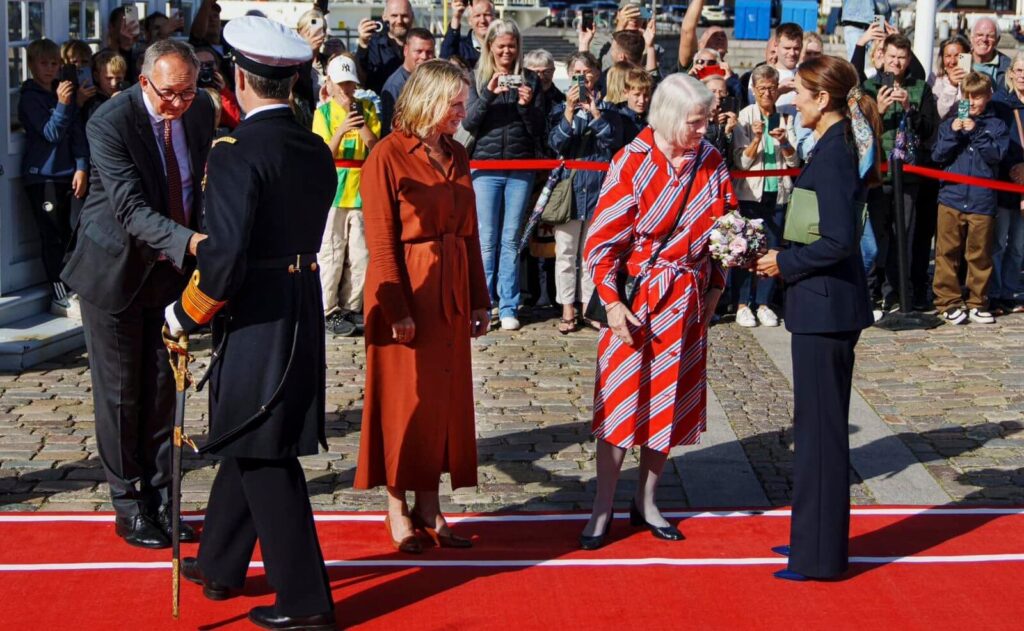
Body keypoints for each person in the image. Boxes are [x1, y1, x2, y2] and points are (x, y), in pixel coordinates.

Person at [164, 17, 338, 630]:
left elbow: (225, 258)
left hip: (259, 312)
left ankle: (306, 600)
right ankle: (221, 562)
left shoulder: (236, 152)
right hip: (298, 305)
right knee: (248, 435)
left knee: (266, 454)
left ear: (239, 77)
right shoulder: (312, 146)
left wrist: (184, 313)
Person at [61, 39, 214, 549]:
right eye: (170, 94)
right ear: (145, 81)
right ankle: (130, 504)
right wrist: (193, 242)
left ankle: (165, 496)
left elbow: (198, 188)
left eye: (189, 92)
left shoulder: (199, 111)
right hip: (115, 270)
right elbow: (128, 209)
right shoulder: (110, 120)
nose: (178, 104)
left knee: (165, 391)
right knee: (122, 394)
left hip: (170, 273)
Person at [579, 74, 734, 550]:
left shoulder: (710, 160)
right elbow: (602, 242)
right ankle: (602, 506)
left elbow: (727, 229)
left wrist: (713, 293)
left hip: (686, 299)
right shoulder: (632, 161)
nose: (703, 129)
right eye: (695, 122)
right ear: (668, 117)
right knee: (620, 403)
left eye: (705, 120)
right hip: (639, 298)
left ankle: (647, 500)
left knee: (667, 403)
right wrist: (612, 303)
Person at [356, 59, 491, 553]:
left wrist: (479, 297)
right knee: (403, 401)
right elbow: (382, 241)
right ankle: (396, 506)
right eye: (454, 103)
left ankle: (430, 503)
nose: (462, 111)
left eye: (463, 103)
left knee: (443, 400)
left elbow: (471, 234)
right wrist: (397, 309)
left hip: (452, 291)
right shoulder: (387, 155)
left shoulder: (457, 153)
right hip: (407, 289)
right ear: (428, 99)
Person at [754, 55, 880, 581]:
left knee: (823, 437)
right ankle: (809, 538)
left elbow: (837, 241)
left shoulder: (833, 156)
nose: (795, 101)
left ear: (822, 99)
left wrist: (783, 263)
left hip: (826, 309)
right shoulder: (828, 147)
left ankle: (821, 556)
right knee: (813, 430)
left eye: (801, 94)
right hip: (820, 306)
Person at [461, 18, 543, 331]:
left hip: (521, 167)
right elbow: (468, 123)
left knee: (510, 240)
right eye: (501, 46)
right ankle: (484, 304)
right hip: (485, 166)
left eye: (512, 46)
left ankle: (509, 304)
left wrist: (526, 105)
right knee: (486, 239)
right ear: (490, 47)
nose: (507, 51)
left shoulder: (531, 80)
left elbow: (539, 131)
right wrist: (490, 94)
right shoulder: (475, 76)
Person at [862, 33, 939, 312]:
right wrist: (878, 111)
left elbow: (930, 130)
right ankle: (869, 291)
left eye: (902, 58)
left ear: (909, 60)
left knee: (902, 236)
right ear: (883, 56)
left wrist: (910, 108)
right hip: (876, 174)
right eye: (892, 56)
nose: (896, 62)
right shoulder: (869, 87)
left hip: (907, 175)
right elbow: (858, 131)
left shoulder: (920, 88)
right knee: (873, 236)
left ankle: (895, 292)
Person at [548, 52, 623, 334]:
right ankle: (567, 306)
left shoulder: (611, 111)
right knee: (566, 251)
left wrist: (594, 113)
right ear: (569, 76)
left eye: (587, 72)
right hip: (570, 188)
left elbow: (613, 143)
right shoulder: (558, 109)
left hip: (599, 188)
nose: (583, 77)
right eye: (577, 72)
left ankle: (590, 306)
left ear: (596, 74)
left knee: (591, 252)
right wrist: (569, 112)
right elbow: (556, 144)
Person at [19, 38, 89, 318]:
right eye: (44, 63)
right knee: (52, 237)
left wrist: (82, 166)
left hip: (69, 175)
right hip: (42, 177)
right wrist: (62, 104)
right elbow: (50, 134)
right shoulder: (29, 98)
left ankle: (74, 289)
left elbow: (75, 133)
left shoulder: (62, 94)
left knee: (73, 232)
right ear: (32, 65)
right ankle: (59, 296)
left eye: (54, 64)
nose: (50, 69)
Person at [931, 72, 1008, 325]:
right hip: (951, 197)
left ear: (987, 97)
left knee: (979, 254)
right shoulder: (949, 123)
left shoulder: (995, 126)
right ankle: (948, 301)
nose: (972, 101)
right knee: (947, 253)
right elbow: (938, 156)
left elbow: (996, 155)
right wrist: (953, 133)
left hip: (981, 200)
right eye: (968, 96)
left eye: (977, 97)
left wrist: (976, 132)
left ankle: (978, 301)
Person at [314, 54, 381, 337]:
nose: (346, 91)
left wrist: (360, 123)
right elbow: (323, 154)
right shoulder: (324, 113)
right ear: (328, 84)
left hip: (360, 194)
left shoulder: (367, 109)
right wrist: (341, 129)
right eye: (340, 85)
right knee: (330, 252)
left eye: (350, 85)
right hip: (333, 193)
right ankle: (327, 309)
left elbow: (376, 148)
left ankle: (353, 307)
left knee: (360, 254)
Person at [731, 64, 797, 328]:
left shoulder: (784, 117)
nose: (767, 93)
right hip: (751, 194)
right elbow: (741, 162)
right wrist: (756, 140)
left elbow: (794, 162)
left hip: (777, 192)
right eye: (762, 89)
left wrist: (784, 143)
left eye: (772, 88)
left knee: (772, 249)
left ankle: (764, 303)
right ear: (754, 90)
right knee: (746, 249)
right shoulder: (745, 117)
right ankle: (742, 303)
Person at [991, 53, 1024, 315]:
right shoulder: (1000, 103)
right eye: (1020, 70)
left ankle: (1012, 290)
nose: (1023, 75)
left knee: (1018, 244)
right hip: (1004, 182)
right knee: (999, 242)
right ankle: (996, 291)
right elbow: (997, 141)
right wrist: (1013, 168)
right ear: (1011, 73)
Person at [380, 27, 436, 136]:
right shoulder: (395, 86)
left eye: (429, 52)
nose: (424, 57)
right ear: (406, 50)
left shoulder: (431, 80)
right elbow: (391, 130)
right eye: (418, 51)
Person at [356, 0, 415, 94]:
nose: (399, 21)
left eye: (404, 16)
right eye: (394, 16)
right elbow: (361, 77)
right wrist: (363, 45)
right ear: (384, 17)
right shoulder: (373, 44)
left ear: (412, 17)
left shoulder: (420, 44)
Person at [747, 23, 803, 114]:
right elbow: (755, 111)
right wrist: (779, 91)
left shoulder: (806, 74)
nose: (792, 53)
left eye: (796, 48)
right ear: (776, 47)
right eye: (787, 48)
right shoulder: (760, 74)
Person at [440, 0, 494, 69]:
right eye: (477, 16)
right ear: (469, 21)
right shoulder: (461, 48)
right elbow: (444, 61)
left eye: (487, 15)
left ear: (494, 18)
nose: (482, 20)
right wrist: (456, 17)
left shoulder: (502, 47)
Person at [930, 35, 972, 122]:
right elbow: (940, 113)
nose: (952, 61)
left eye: (957, 55)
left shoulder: (978, 79)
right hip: (944, 131)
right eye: (948, 56)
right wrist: (952, 86)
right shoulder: (934, 80)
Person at [101, 5, 142, 85]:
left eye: (132, 24)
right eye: (125, 25)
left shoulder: (139, 55)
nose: (129, 29)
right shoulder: (100, 58)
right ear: (111, 27)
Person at [84, 50, 127, 122]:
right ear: (96, 77)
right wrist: (113, 104)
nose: (114, 83)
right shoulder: (92, 102)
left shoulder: (127, 94)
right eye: (109, 78)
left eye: (118, 78)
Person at [970, 17, 1011, 90]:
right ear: (971, 37)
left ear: (997, 40)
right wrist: (953, 84)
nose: (984, 39)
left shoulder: (1009, 66)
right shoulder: (957, 61)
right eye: (979, 35)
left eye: (990, 36)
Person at [703, 74, 737, 161]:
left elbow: (729, 156)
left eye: (722, 91)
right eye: (713, 91)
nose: (718, 95)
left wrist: (727, 131)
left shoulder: (728, 116)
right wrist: (711, 123)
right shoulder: (697, 118)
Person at [618, 65, 654, 145]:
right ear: (626, 93)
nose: (642, 101)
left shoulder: (653, 118)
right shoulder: (617, 118)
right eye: (637, 95)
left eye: (646, 95)